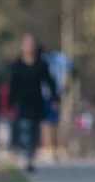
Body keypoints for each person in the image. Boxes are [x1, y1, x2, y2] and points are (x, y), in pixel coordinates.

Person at [8, 35, 60, 173]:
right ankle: (27, 158)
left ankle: (31, 155)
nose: (29, 47)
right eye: (27, 45)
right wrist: (10, 103)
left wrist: (55, 98)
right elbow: (12, 85)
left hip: (36, 102)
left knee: (34, 131)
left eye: (31, 45)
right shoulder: (16, 65)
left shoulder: (41, 65)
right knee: (25, 129)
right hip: (22, 103)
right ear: (23, 47)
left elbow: (50, 82)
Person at [40, 48, 75, 162]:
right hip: (51, 93)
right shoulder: (60, 58)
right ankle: (52, 149)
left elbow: (73, 70)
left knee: (50, 122)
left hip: (51, 93)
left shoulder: (47, 59)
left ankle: (53, 149)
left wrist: (67, 85)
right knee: (52, 122)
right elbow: (73, 70)